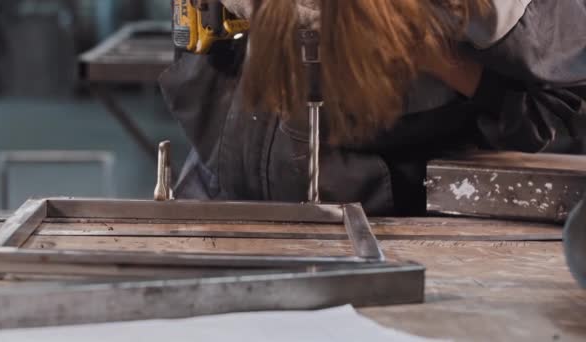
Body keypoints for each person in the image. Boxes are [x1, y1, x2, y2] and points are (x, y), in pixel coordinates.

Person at [159, 0, 586, 216]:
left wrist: (432, 55)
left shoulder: (500, 10)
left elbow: (565, 106)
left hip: (383, 219)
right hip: (220, 181)